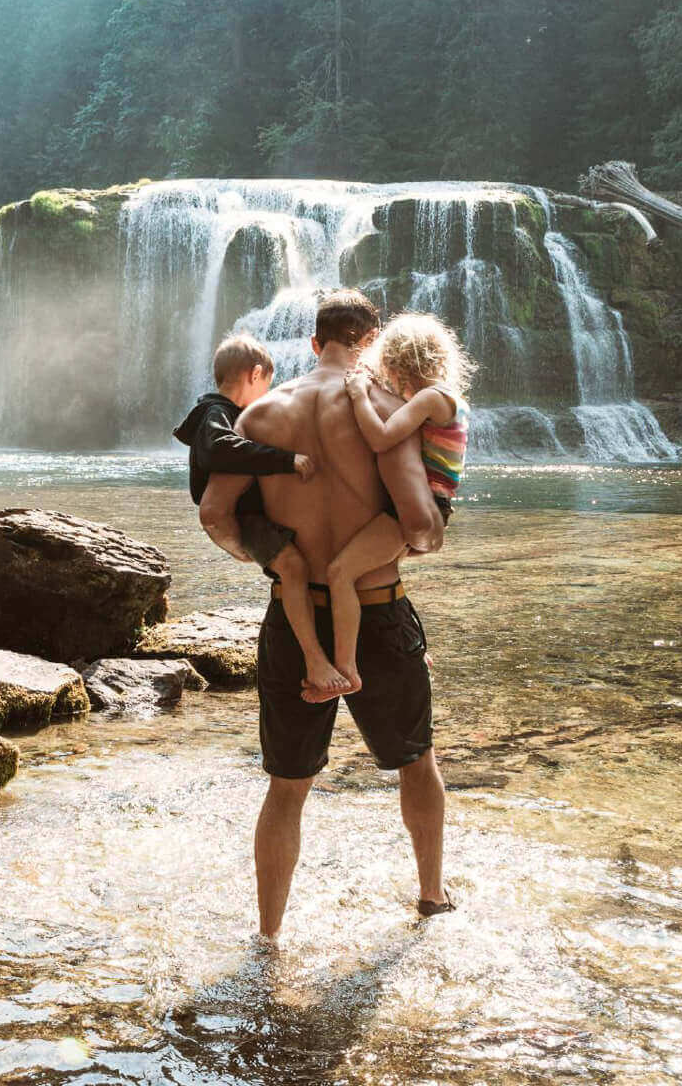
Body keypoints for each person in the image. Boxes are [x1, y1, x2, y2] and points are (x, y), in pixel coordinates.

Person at [198, 289, 454, 939]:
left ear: (313, 344)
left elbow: (214, 516)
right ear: (372, 344)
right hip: (380, 610)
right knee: (416, 761)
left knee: (287, 786)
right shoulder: (390, 410)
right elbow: (420, 527)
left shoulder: (259, 418)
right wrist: (418, 536)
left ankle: (269, 937)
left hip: (295, 620)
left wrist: (275, 557)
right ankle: (431, 894)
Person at [173, 334, 347, 698]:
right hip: (248, 517)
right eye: (267, 383)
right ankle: (315, 659)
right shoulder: (215, 414)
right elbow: (219, 449)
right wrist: (285, 459)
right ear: (255, 374)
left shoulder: (219, 412)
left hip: (253, 515)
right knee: (294, 568)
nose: (268, 395)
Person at [323, 313, 471, 698]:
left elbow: (382, 436)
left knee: (341, 573)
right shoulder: (450, 398)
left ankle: (346, 670)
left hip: (418, 508)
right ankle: (414, 653)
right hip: (430, 506)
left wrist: (358, 394)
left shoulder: (429, 398)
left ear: (399, 360)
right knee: (384, 576)